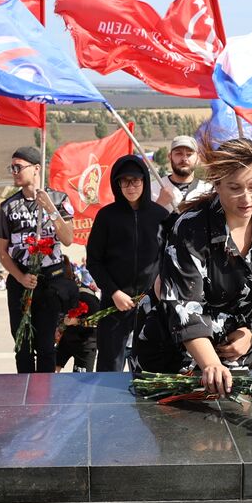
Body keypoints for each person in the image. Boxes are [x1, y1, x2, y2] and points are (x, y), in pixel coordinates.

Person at [132, 138, 252, 396]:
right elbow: (184, 308)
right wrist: (212, 365)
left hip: (233, 360)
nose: (247, 198)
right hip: (172, 360)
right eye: (235, 188)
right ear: (216, 184)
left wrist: (250, 333)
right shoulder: (190, 228)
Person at [0, 145, 75, 373]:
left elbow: (68, 239)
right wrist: (20, 277)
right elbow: (1, 251)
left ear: (36, 168)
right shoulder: (7, 207)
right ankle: (25, 396)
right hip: (21, 282)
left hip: (50, 283)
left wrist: (50, 209)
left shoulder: (59, 199)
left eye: (19, 167)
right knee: (23, 346)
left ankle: (46, 397)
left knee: (47, 346)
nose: (14, 171)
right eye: (12, 167)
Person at [85, 154, 168, 371]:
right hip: (115, 304)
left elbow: (168, 260)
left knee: (152, 366)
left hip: (152, 304)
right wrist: (114, 292)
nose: (130, 186)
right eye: (124, 181)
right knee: (110, 367)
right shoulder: (106, 217)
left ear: (144, 181)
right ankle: (109, 406)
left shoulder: (160, 216)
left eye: (136, 180)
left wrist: (156, 293)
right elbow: (94, 261)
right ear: (117, 184)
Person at [154, 134, 211, 210]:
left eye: (189, 154)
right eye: (179, 154)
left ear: (198, 158)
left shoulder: (208, 191)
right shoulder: (153, 188)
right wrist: (160, 204)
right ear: (170, 156)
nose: (184, 159)